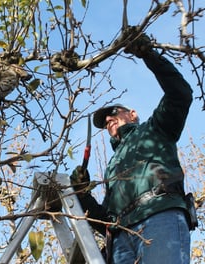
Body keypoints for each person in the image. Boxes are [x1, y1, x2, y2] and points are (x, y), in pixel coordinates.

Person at [70, 32, 196, 264]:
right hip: (120, 237)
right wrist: (82, 194)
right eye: (105, 122)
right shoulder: (112, 167)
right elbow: (104, 220)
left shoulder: (155, 129)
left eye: (113, 114)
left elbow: (180, 94)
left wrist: (147, 54)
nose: (108, 120)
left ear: (133, 114)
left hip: (159, 215)